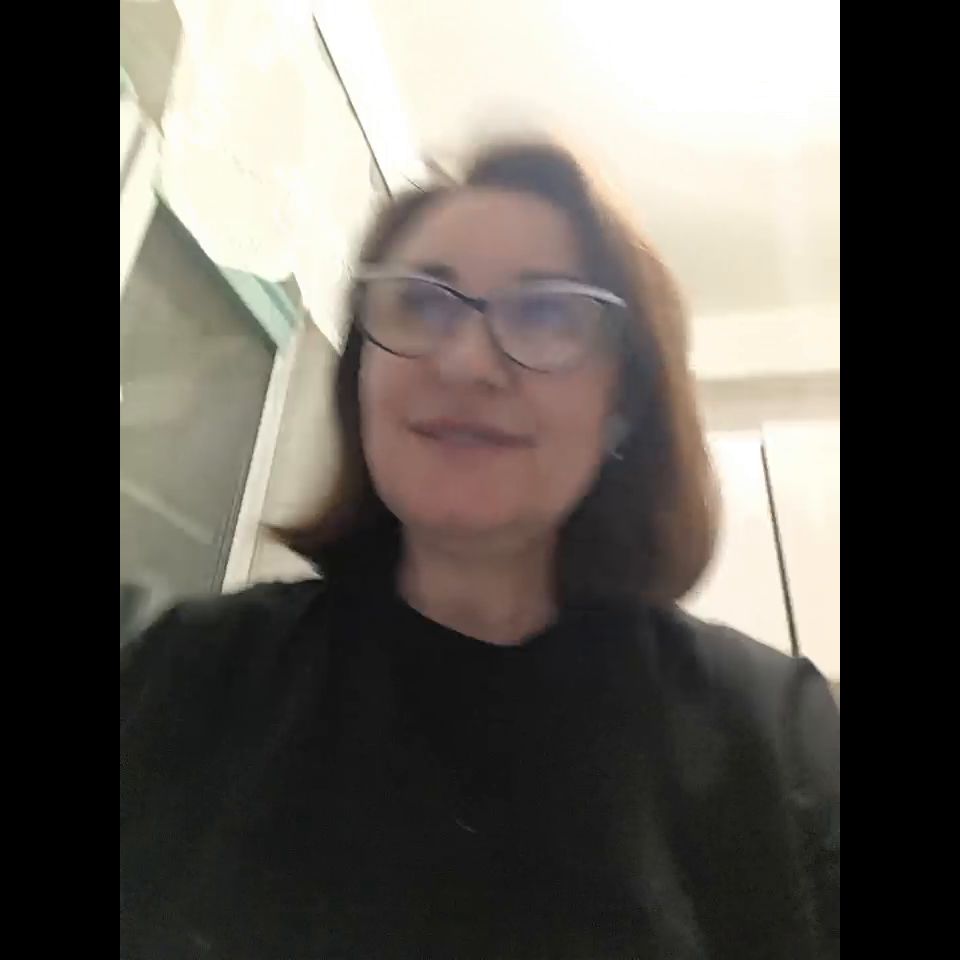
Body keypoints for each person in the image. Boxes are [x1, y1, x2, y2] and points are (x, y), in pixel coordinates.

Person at [120, 142, 840, 959]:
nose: (464, 364)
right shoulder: (183, 672)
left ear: (623, 408)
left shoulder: (780, 737)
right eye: (420, 304)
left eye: (548, 314)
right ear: (361, 380)